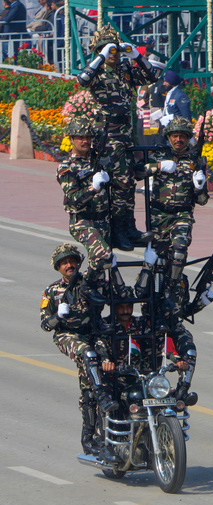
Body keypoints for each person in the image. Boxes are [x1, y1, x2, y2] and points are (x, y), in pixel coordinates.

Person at [76, 24, 159, 251]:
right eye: (108, 50)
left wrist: (135, 55)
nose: (113, 55)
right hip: (108, 136)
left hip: (126, 135)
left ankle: (128, 228)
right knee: (120, 182)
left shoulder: (124, 69)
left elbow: (151, 75)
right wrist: (102, 56)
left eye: (114, 51)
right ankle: (118, 232)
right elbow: (82, 79)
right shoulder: (97, 72)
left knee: (129, 182)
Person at [40, 243, 117, 462]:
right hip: (68, 336)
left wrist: (113, 270)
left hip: (94, 333)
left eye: (72, 260)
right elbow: (46, 325)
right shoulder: (52, 291)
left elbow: (115, 295)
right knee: (88, 355)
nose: (69, 265)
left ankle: (93, 438)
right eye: (64, 262)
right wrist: (59, 317)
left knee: (97, 377)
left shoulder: (90, 282)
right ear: (58, 267)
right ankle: (101, 398)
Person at [143, 116, 209, 289]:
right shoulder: (158, 155)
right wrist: (157, 166)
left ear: (188, 138)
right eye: (175, 136)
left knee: (179, 251)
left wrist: (200, 186)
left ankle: (174, 286)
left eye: (182, 136)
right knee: (156, 258)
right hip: (159, 214)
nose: (178, 139)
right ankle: (149, 291)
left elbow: (202, 201)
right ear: (169, 137)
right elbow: (137, 172)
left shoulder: (196, 160)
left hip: (182, 214)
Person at [56, 116, 114, 278]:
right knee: (103, 256)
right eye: (80, 137)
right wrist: (93, 188)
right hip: (82, 221)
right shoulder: (67, 168)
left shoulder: (97, 159)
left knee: (103, 271)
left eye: (88, 137)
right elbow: (74, 201)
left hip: (103, 220)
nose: (85, 141)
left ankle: (90, 296)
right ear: (72, 139)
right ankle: (84, 288)